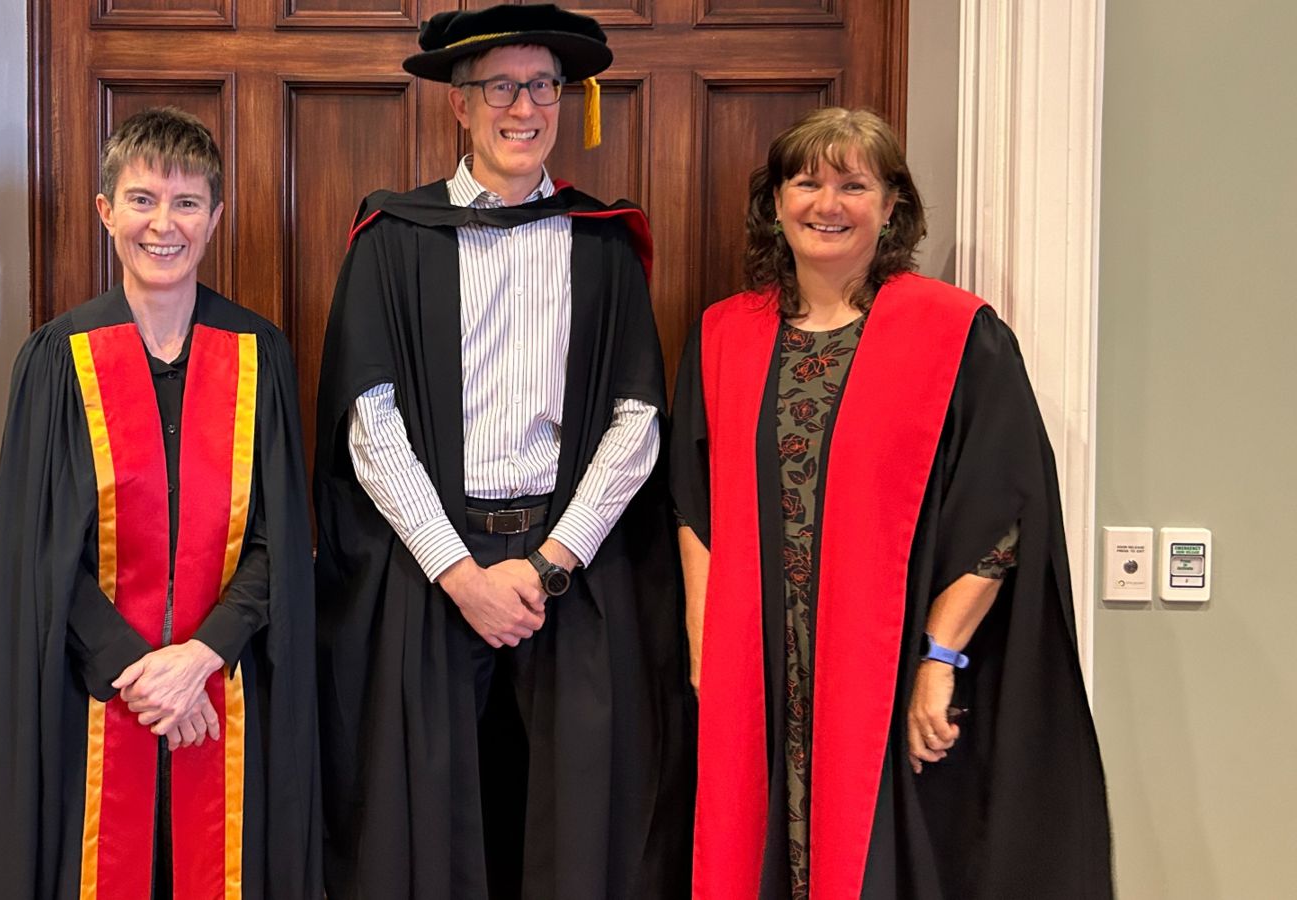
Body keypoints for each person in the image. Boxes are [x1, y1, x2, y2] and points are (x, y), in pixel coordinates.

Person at [671, 107, 1113, 899]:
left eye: (853, 184)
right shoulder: (723, 336)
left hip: (887, 661)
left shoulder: (953, 334)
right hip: (759, 664)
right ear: (775, 203)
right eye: (806, 182)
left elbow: (1002, 514)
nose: (827, 203)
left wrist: (938, 662)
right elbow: (692, 501)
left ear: (892, 206)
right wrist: (708, 649)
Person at [312, 5, 694, 898]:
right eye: (501, 87)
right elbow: (371, 424)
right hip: (432, 571)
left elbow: (637, 420)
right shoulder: (393, 239)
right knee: (431, 830)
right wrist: (461, 574)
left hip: (571, 571)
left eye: (543, 86)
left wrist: (554, 563)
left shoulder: (601, 241)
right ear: (460, 103)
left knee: (571, 827)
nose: (525, 107)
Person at [0, 107, 322, 900]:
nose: (164, 224)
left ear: (216, 218)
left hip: (229, 696)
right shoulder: (58, 360)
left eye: (187, 203)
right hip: (92, 698)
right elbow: (39, 550)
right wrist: (137, 675)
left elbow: (279, 540)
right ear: (106, 211)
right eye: (143, 198)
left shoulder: (259, 356)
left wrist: (201, 657)